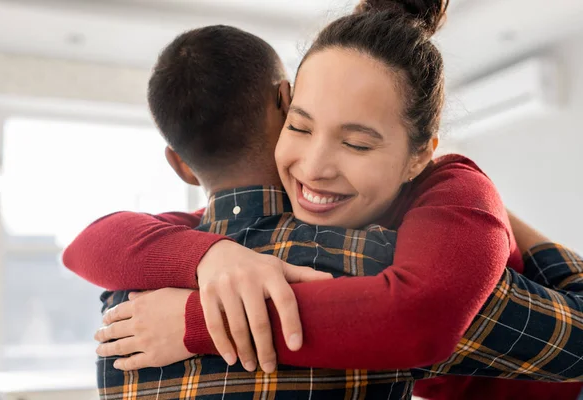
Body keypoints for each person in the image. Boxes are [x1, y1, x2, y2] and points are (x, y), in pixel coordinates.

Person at [64, 2, 583, 400]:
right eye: (300, 127)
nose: (313, 166)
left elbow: (419, 316)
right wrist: (210, 257)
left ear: (419, 155)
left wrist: (195, 321)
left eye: (357, 143)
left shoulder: (446, 208)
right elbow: (90, 243)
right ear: (284, 104)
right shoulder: (217, 243)